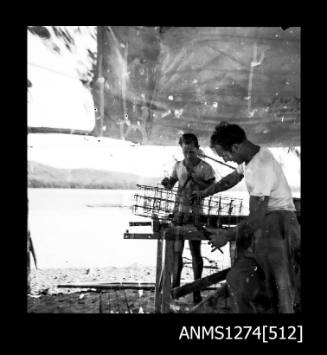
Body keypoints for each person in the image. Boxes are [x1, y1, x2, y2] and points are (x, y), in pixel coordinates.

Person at [193, 122, 301, 313]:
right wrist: (204, 193)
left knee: (281, 291)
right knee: (238, 279)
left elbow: (257, 217)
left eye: (225, 155)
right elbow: (230, 179)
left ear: (235, 147)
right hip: (264, 227)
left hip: (278, 226)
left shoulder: (261, 165)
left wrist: (226, 236)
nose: (225, 160)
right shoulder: (248, 160)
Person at [161, 133, 216, 304]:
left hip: (196, 215)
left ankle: (197, 289)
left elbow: (213, 188)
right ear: (181, 149)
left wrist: (196, 180)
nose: (188, 155)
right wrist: (167, 183)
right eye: (185, 152)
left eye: (191, 151)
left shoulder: (206, 168)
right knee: (177, 251)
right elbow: (171, 184)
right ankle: (175, 287)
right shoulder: (178, 166)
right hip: (179, 213)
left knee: (195, 252)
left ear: (197, 149)